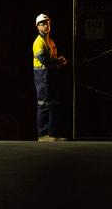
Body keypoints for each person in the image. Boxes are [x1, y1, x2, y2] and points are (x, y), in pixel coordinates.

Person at [32, 13, 68, 142]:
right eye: (43, 23)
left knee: (52, 105)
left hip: (50, 77)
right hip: (42, 78)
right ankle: (42, 135)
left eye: (47, 23)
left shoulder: (49, 41)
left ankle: (52, 133)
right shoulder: (38, 42)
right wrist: (58, 61)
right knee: (43, 105)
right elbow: (44, 59)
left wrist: (59, 61)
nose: (46, 25)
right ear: (38, 27)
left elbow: (52, 58)